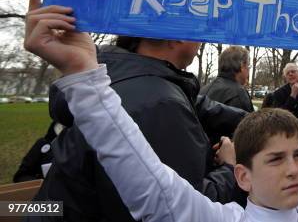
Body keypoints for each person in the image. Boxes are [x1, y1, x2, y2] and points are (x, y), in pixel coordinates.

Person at [23, 0, 298, 222]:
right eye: (274, 160)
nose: (293, 170)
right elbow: (143, 176)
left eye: (297, 155)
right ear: (243, 176)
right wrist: (84, 78)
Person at [30, 34, 243, 221]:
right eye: (198, 30)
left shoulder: (123, 74)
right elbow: (186, 209)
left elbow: (201, 104)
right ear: (178, 36)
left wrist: (263, 118)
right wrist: (229, 167)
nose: (202, 39)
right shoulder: (159, 104)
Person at [202, 46, 254, 112]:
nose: (248, 71)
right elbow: (249, 121)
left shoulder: (203, 90)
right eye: (248, 66)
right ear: (242, 66)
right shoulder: (239, 94)